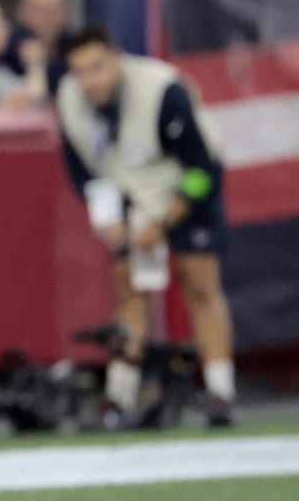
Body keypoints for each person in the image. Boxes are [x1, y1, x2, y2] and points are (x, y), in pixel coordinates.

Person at [56, 27, 235, 427]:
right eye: (80, 71)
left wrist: (164, 222)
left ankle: (220, 392)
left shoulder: (162, 92)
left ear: (117, 59)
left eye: (97, 68)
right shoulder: (69, 100)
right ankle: (119, 397)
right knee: (128, 287)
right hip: (128, 188)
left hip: (182, 182)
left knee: (200, 282)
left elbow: (201, 170)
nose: (90, 81)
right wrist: (111, 223)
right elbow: (83, 172)